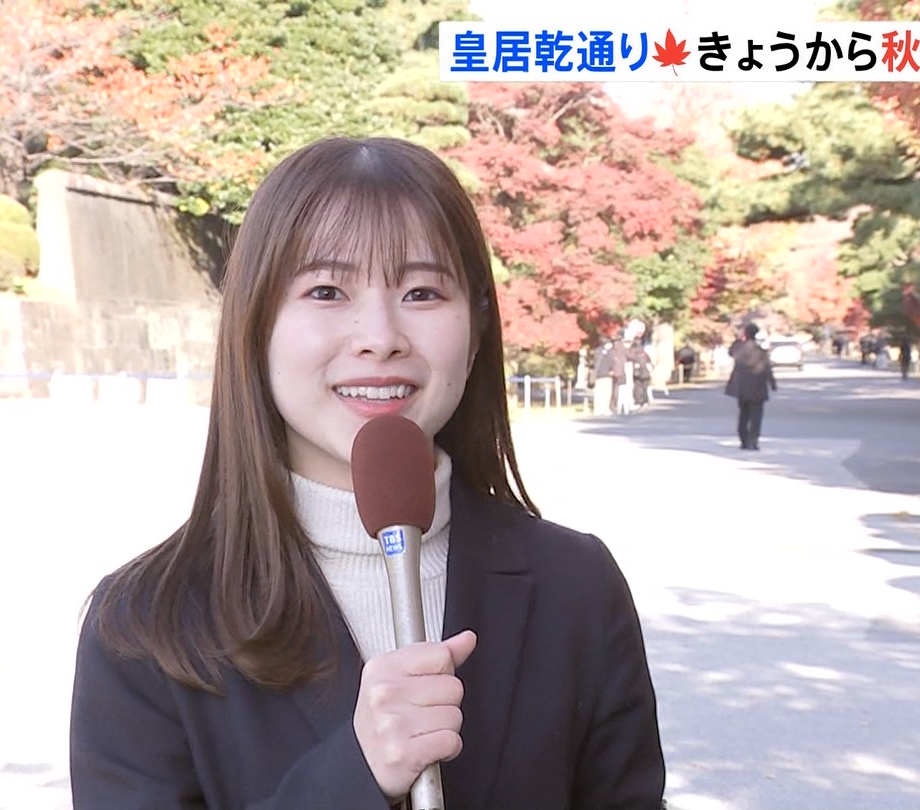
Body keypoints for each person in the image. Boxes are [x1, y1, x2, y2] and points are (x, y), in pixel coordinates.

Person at [68, 136, 665, 809]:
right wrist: (356, 774)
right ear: (254, 328)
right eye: (326, 290)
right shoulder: (145, 624)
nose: (380, 336)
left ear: (475, 332)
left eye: (422, 291)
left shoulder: (575, 585)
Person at [724, 322, 777, 450]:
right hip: (758, 386)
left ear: (745, 334)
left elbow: (730, 352)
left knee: (743, 414)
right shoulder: (761, 352)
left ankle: (744, 440)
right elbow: (767, 369)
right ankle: (753, 440)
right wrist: (772, 383)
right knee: (756, 416)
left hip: (741, 387)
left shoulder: (738, 349)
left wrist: (738, 338)